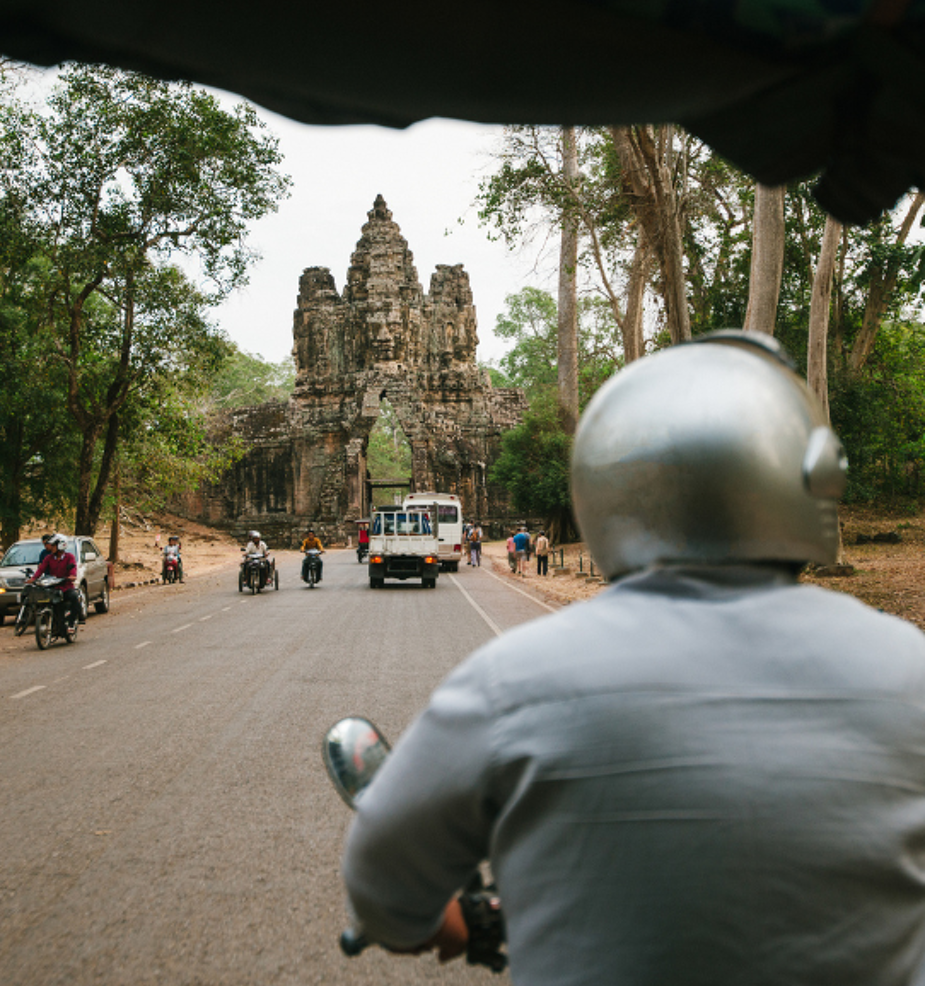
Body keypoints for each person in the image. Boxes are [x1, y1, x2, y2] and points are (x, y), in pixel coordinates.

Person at [340, 331, 925, 986]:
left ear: (604, 484)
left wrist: (451, 920)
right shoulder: (909, 669)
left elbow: (379, 886)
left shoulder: (517, 679)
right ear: (814, 475)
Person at [27, 534, 84, 626]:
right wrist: (33, 579)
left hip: (66, 587)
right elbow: (41, 570)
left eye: (53, 545)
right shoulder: (48, 558)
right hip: (53, 588)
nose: (51, 547)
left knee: (74, 597)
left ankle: (71, 623)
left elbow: (73, 571)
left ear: (61, 545)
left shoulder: (69, 557)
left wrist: (71, 576)